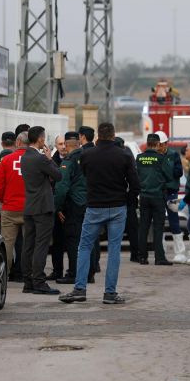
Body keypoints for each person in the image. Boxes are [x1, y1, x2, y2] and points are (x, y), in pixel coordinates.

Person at [59, 123, 140, 305]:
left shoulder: (87, 155)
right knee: (114, 250)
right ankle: (109, 293)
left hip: (94, 206)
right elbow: (135, 184)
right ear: (113, 135)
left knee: (85, 247)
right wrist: (127, 201)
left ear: (98, 136)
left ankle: (80, 289)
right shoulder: (124, 155)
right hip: (118, 206)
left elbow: (87, 176)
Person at [20, 126, 62, 295]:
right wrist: (50, 158)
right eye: (44, 137)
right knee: (41, 245)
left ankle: (28, 282)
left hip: (29, 206)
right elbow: (58, 175)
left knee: (28, 245)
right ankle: (39, 281)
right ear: (40, 139)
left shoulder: (24, 157)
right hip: (43, 207)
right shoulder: (40, 158)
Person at [0, 131, 28, 279]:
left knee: (7, 244)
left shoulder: (6, 160)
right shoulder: (36, 159)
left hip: (10, 208)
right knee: (29, 244)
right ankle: (28, 274)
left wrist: (4, 199)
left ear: (17, 143)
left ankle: (3, 274)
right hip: (29, 208)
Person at [136, 133, 174, 266]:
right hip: (157, 197)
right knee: (158, 228)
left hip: (144, 197)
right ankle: (159, 258)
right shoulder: (161, 158)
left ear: (147, 143)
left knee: (143, 227)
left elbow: (136, 177)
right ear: (158, 144)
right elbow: (169, 175)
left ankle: (142, 257)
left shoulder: (139, 158)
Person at [54, 132, 87, 284]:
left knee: (73, 240)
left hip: (73, 205)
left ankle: (73, 273)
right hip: (88, 203)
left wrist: (58, 207)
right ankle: (89, 272)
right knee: (87, 239)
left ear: (67, 146)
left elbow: (62, 186)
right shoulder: (88, 157)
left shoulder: (68, 161)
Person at [155, 131, 186, 263]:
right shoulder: (153, 155)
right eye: (157, 144)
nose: (158, 147)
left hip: (171, 191)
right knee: (159, 221)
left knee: (174, 220)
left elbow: (178, 172)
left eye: (160, 144)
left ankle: (180, 251)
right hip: (158, 191)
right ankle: (161, 249)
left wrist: (165, 167)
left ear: (165, 144)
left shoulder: (173, 155)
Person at [79, 126, 102, 275]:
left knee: (86, 239)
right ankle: (96, 264)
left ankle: (89, 269)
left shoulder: (82, 154)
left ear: (82, 137)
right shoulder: (98, 152)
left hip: (85, 199)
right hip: (98, 197)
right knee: (96, 236)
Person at [47, 134, 69, 280]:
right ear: (56, 146)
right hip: (56, 207)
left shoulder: (74, 160)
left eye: (64, 144)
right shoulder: (51, 161)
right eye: (60, 144)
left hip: (71, 207)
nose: (63, 147)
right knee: (57, 243)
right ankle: (57, 270)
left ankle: (75, 271)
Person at [116, 136, 140, 264]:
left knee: (113, 229)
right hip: (126, 199)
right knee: (132, 229)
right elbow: (135, 183)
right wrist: (131, 197)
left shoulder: (108, 159)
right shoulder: (127, 158)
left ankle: (114, 255)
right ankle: (134, 255)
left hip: (113, 200)